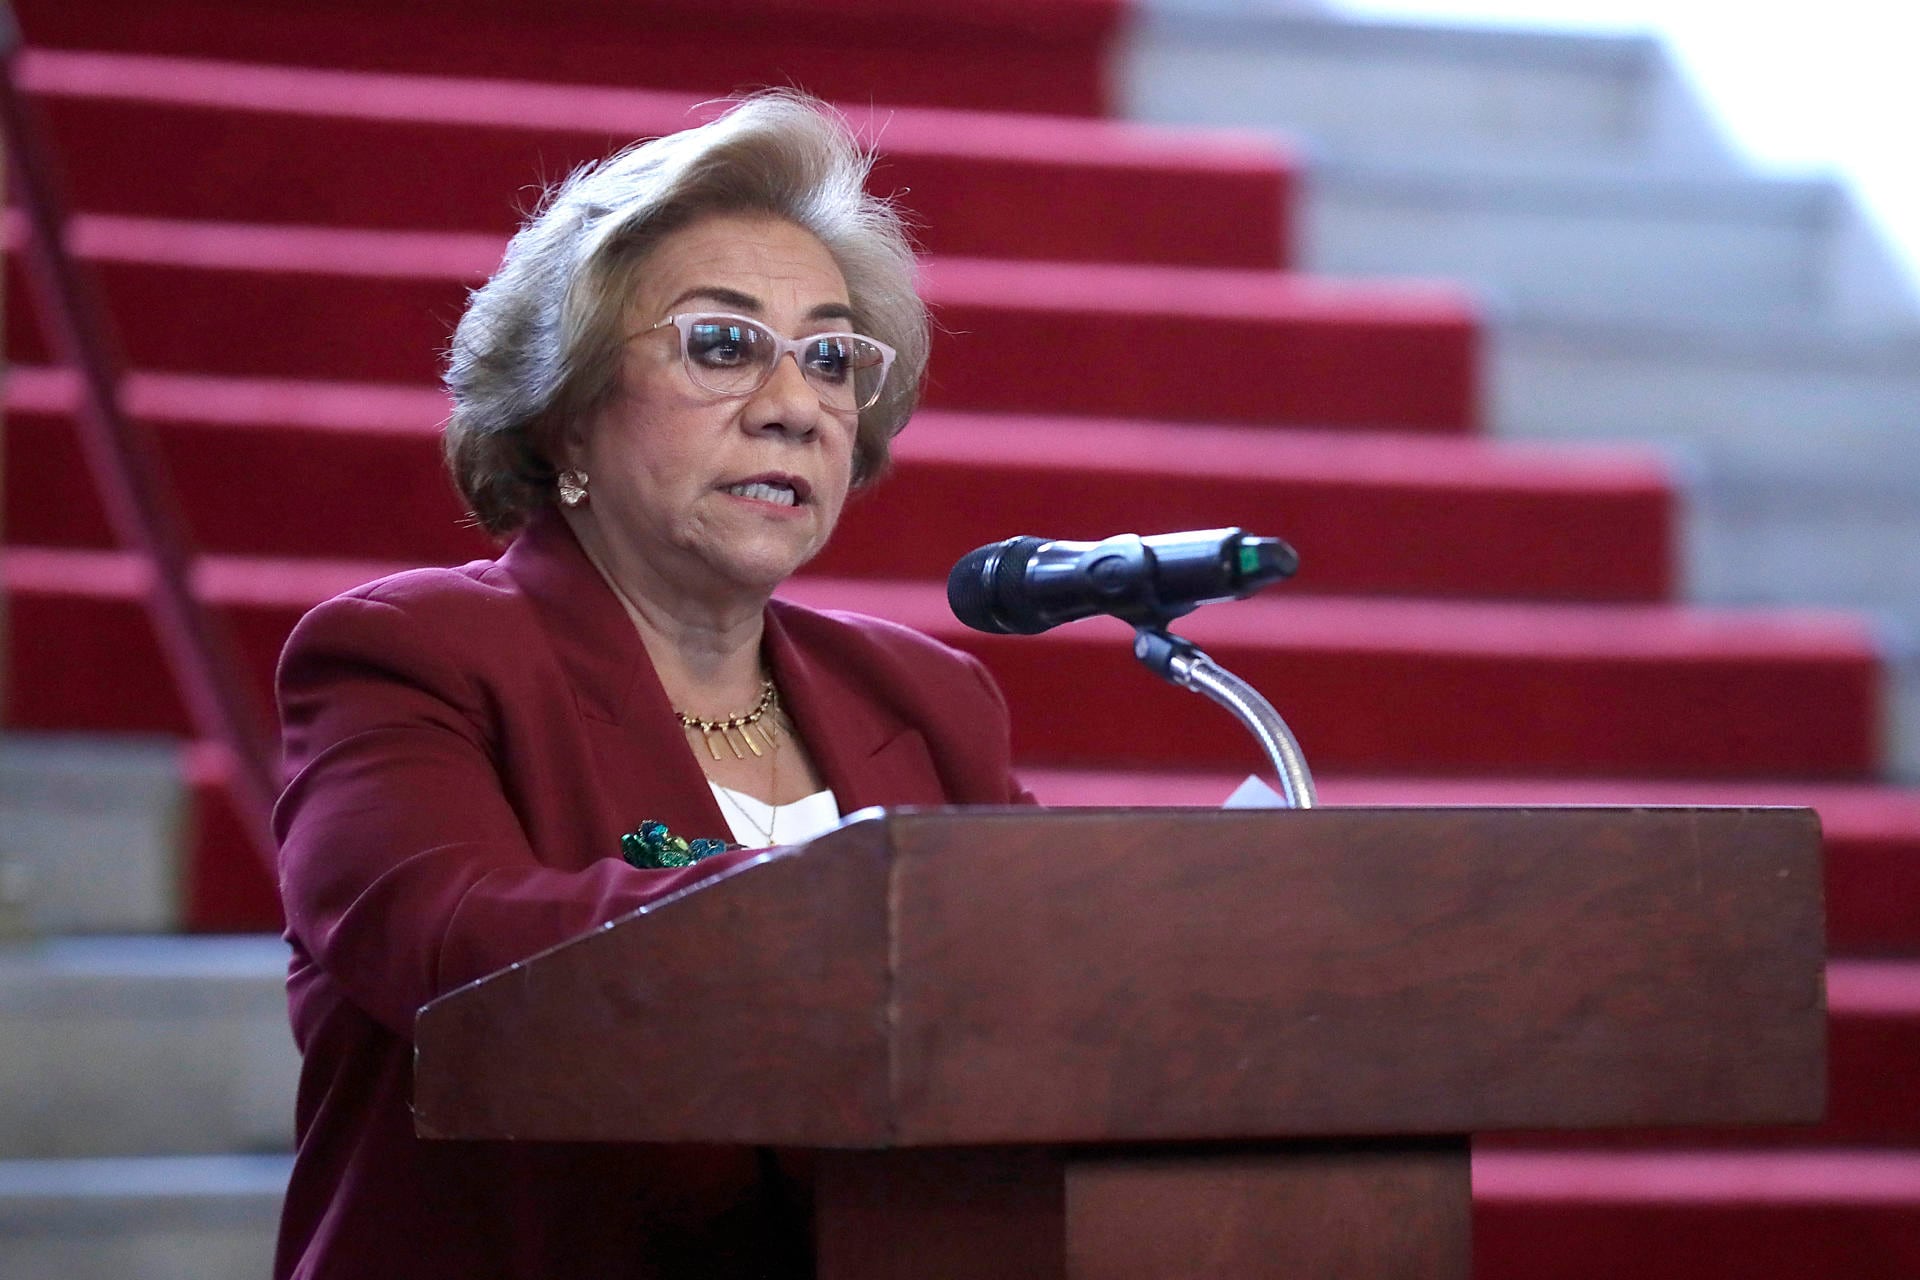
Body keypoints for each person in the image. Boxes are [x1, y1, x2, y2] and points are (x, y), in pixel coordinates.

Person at [271, 91, 1032, 1279]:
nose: (795, 407)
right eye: (722, 345)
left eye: (832, 358)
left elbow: (1050, 979)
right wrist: (857, 902)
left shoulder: (927, 697)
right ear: (568, 413)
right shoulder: (408, 657)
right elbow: (461, 952)